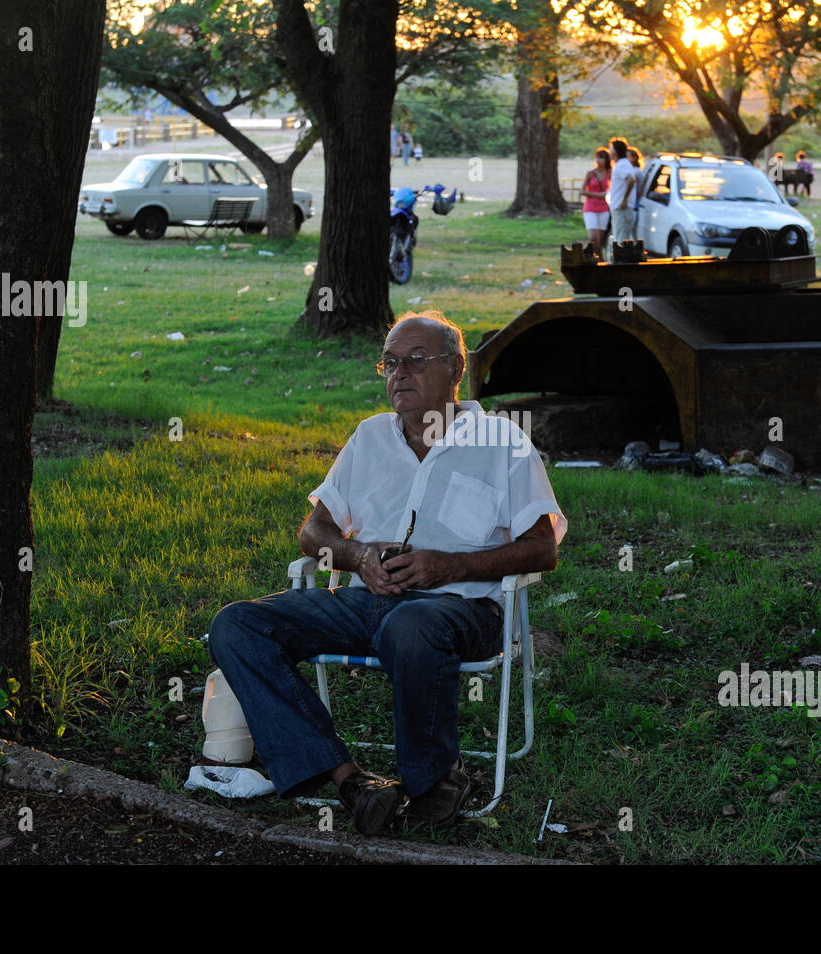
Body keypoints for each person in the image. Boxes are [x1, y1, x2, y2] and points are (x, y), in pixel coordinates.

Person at [208, 312, 567, 836]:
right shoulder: (370, 437)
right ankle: (352, 781)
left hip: (463, 609)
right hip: (368, 600)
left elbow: (542, 550)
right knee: (237, 625)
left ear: (455, 370)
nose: (400, 373)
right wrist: (358, 558)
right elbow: (315, 531)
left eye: (416, 361)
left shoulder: (501, 443)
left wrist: (449, 565)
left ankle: (436, 780)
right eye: (390, 363)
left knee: (412, 626)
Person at [608, 137, 639, 249]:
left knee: (621, 242)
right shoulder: (621, 164)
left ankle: (621, 265)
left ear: (615, 151)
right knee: (618, 239)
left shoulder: (622, 164)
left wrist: (624, 199)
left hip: (622, 209)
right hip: (618, 208)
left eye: (610, 149)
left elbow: (631, 179)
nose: (609, 152)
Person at [581, 148, 611, 256]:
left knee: (600, 238)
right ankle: (599, 258)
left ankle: (598, 257)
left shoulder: (610, 173)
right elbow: (582, 190)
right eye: (597, 157)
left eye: (602, 158)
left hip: (603, 208)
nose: (599, 160)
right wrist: (598, 195)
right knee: (593, 237)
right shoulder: (590, 173)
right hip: (590, 207)